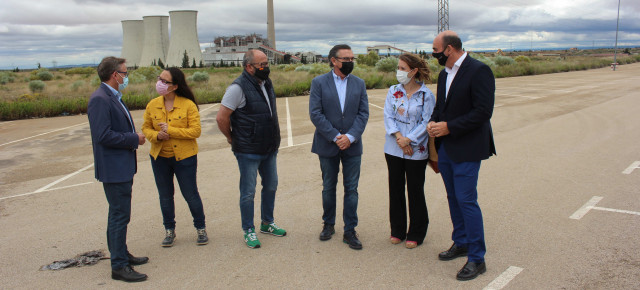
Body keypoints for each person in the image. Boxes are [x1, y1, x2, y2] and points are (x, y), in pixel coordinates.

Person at [427, 31, 496, 281]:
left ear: (449, 49)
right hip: (446, 147)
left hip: (468, 148)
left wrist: (449, 126)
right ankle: (462, 242)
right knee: (453, 198)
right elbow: (440, 107)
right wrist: (434, 122)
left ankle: (477, 259)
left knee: (466, 200)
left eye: (435, 49)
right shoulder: (444, 74)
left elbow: (483, 112)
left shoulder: (479, 71)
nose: (432, 54)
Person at [216, 49, 286, 249]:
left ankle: (267, 223)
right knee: (248, 192)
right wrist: (231, 138)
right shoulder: (237, 88)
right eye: (262, 64)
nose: (266, 67)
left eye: (267, 63)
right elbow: (222, 118)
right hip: (248, 150)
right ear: (248, 66)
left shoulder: (266, 82)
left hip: (269, 147)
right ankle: (248, 229)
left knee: (271, 185)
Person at [87, 56, 148, 282]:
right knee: (119, 215)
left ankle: (121, 254)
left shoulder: (113, 96)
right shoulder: (100, 99)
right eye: (125, 72)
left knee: (121, 214)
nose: (126, 76)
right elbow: (102, 135)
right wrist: (134, 138)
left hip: (121, 166)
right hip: (114, 168)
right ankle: (119, 266)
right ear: (115, 75)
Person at [309, 44, 369, 250]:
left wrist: (350, 136)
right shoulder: (318, 82)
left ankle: (350, 230)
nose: (350, 62)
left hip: (352, 145)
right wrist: (336, 136)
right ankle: (329, 224)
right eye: (346, 59)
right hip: (328, 144)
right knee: (328, 187)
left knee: (351, 188)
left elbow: (363, 113)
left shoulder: (359, 83)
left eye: (352, 59)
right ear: (334, 60)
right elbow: (315, 113)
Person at [142, 67, 208, 247]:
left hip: (184, 158)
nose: (160, 83)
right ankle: (169, 231)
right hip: (159, 157)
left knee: (190, 194)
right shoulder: (152, 104)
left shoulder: (188, 105)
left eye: (165, 81)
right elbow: (146, 128)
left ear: (175, 86)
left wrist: (171, 131)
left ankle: (200, 228)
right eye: (159, 79)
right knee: (165, 195)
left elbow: (195, 131)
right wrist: (156, 136)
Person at [383, 53, 436, 249]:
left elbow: (426, 122)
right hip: (393, 148)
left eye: (403, 68)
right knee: (395, 189)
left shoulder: (426, 95)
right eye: (399, 68)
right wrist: (399, 138)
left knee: (415, 190)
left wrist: (409, 140)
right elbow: (388, 116)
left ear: (414, 72)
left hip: (416, 150)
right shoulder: (393, 91)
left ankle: (416, 232)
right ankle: (397, 230)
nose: (399, 72)